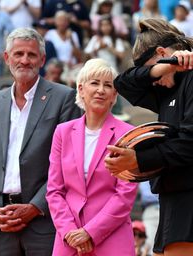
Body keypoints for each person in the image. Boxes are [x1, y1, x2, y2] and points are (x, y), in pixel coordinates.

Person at [0, 27, 81, 256]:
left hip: (44, 223)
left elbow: (66, 165)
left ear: (42, 59)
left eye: (31, 55)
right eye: (18, 54)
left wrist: (34, 207)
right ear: (6, 58)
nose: (25, 60)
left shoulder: (64, 98)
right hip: (0, 224)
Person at [104, 18, 193, 256]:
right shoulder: (167, 86)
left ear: (162, 51)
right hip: (172, 198)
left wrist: (138, 160)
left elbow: (190, 144)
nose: (153, 81)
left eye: (149, 68)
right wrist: (161, 68)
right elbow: (123, 83)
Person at [46, 58, 138, 255]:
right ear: (80, 89)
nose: (101, 90)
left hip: (112, 239)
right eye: (94, 83)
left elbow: (125, 195)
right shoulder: (62, 132)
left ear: (114, 95)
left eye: (108, 85)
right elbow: (54, 191)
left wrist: (90, 232)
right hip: (69, 240)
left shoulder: (128, 134)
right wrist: (70, 231)